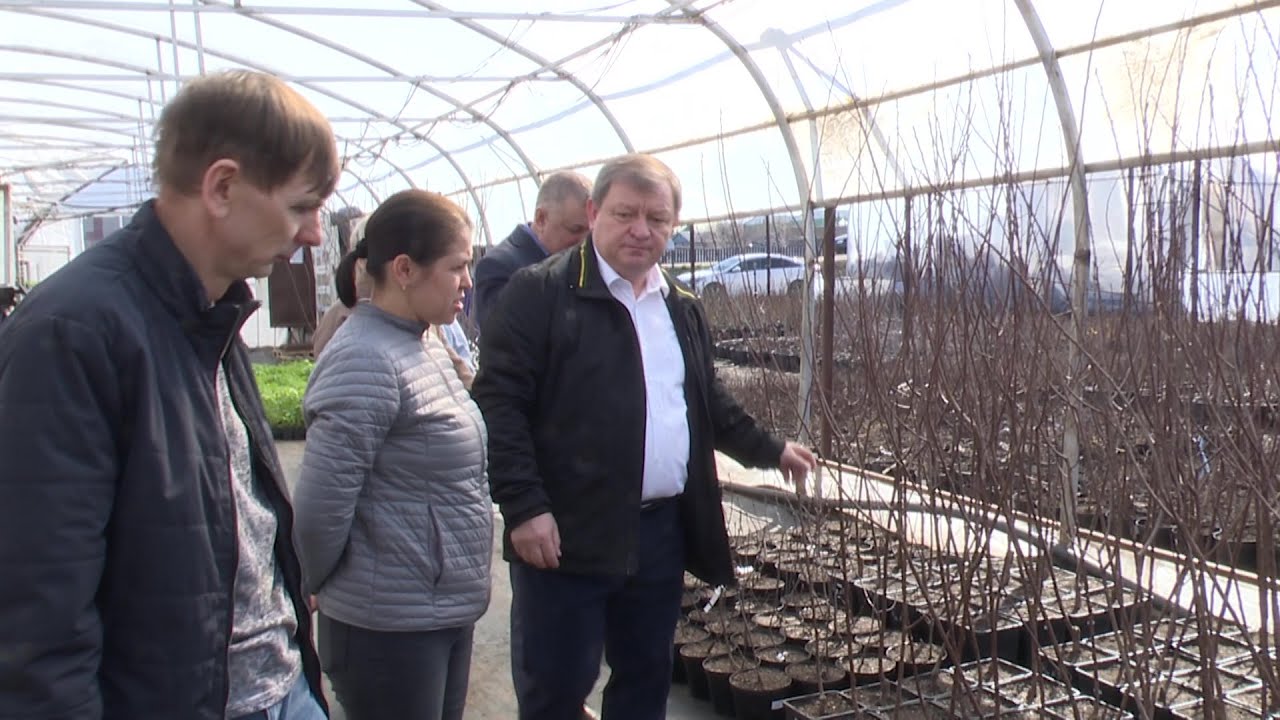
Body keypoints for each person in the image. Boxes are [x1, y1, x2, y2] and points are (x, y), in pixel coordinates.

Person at [0, 70, 338, 719]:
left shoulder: (213, 311)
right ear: (222, 187)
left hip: (279, 686)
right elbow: (37, 616)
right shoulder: (72, 333)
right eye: (301, 206)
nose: (315, 234)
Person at [472, 154, 817, 720]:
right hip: (567, 533)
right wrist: (524, 506)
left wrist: (771, 450)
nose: (641, 229)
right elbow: (500, 405)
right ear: (594, 213)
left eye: (656, 218)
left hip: (658, 531)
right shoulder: (540, 294)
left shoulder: (680, 306)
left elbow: (705, 400)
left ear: (673, 225)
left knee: (644, 680)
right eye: (625, 214)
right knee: (556, 688)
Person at [293, 189, 493, 720]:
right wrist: (306, 585)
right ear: (404, 269)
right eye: (457, 267)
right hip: (386, 626)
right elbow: (320, 510)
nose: (468, 282)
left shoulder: (424, 343)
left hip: (435, 610)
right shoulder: (364, 359)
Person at [470, 170, 592, 330]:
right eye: (575, 230)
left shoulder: (585, 263)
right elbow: (502, 337)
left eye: (591, 233)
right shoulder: (499, 267)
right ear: (541, 219)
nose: (584, 242)